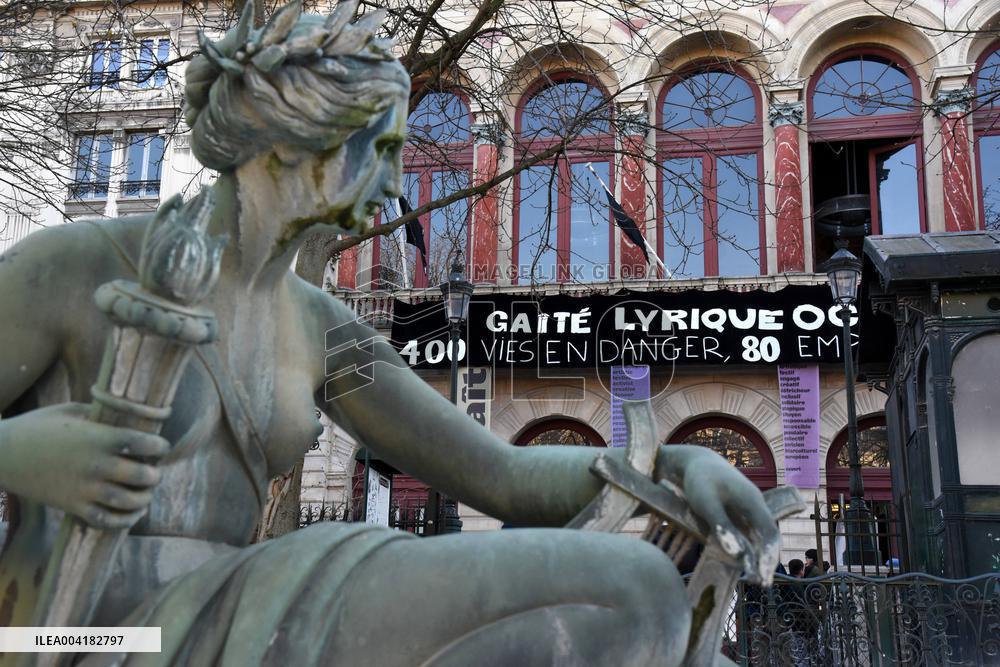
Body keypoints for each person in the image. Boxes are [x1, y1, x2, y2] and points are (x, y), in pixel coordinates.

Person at [0, 3, 780, 666]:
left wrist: (675, 464)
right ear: (293, 136)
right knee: (634, 588)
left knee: (670, 625)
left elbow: (501, 473)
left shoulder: (319, 325)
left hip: (241, 607)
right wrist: (24, 451)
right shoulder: (75, 265)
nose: (391, 182)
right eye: (374, 151)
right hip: (80, 631)